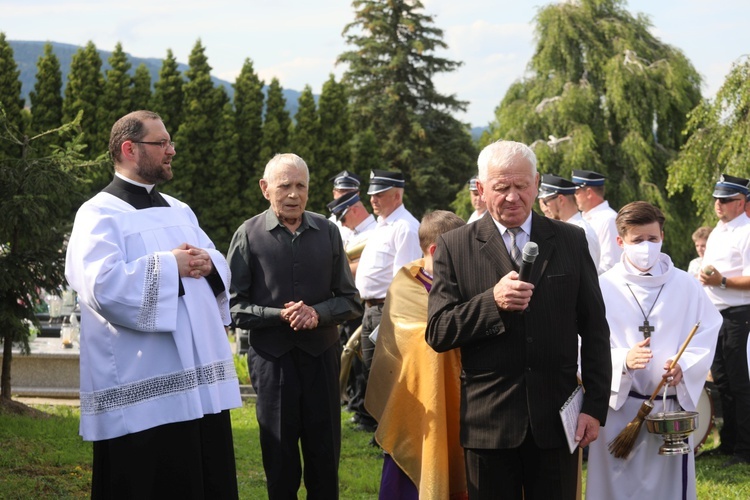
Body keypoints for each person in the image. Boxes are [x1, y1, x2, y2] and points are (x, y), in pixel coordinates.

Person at [64, 110, 241, 499]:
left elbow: (216, 265)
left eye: (170, 142)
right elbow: (100, 285)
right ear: (129, 149)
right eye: (161, 143)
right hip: (142, 385)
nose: (171, 151)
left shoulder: (180, 210)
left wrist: (210, 264)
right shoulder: (97, 214)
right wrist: (169, 267)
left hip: (197, 384)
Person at [426, 140, 612, 500]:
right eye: (501, 188)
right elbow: (438, 331)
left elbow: (595, 328)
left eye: (522, 186)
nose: (513, 197)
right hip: (488, 423)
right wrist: (491, 303)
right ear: (481, 189)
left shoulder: (571, 240)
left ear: (537, 182)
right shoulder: (454, 245)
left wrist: (594, 407)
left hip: (557, 420)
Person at [227, 153, 362, 499]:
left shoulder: (328, 232)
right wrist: (279, 315)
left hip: (321, 359)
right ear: (265, 188)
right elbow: (233, 307)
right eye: (284, 185)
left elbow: (349, 300)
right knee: (280, 460)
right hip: (273, 364)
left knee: (324, 458)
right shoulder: (248, 235)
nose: (293, 194)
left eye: (300, 186)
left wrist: (316, 314)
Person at [586, 201, 721, 500]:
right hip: (619, 412)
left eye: (653, 239)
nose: (646, 247)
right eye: (637, 240)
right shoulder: (603, 287)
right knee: (616, 488)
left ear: (662, 236)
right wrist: (622, 359)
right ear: (621, 242)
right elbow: (583, 344)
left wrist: (684, 364)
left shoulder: (686, 285)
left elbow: (708, 328)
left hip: (668, 412)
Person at [366, 210, 467, 500]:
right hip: (420, 406)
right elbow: (421, 340)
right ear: (435, 250)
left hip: (463, 399)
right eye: (459, 249)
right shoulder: (406, 284)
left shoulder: (463, 281)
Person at [353, 169, 422, 431]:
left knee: (389, 373)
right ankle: (383, 429)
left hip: (388, 309)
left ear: (397, 195)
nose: (373, 199)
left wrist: (392, 317)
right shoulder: (384, 225)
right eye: (371, 194)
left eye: (379, 194)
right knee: (374, 373)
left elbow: (403, 280)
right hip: (372, 308)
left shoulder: (405, 227)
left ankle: (394, 431)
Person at [698, 174, 750, 466]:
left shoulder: (746, 230)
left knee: (741, 384)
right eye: (717, 198)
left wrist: (723, 281)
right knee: (724, 383)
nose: (718, 204)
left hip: (740, 315)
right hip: (717, 314)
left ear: (741, 202)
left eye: (726, 199)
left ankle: (745, 448)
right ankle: (728, 442)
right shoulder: (720, 229)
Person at [326, 190, 376, 414]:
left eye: (344, 218)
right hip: (353, 301)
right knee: (350, 354)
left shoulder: (373, 232)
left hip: (367, 302)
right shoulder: (355, 233)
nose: (343, 224)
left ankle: (362, 407)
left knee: (361, 359)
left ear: (355, 210)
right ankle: (355, 402)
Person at [538, 173, 601, 273]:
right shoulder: (561, 229)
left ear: (561, 199)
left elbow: (588, 276)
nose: (545, 208)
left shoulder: (582, 232)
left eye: (546, 201)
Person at [571, 169, 622, 273]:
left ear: (589, 192)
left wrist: (579, 274)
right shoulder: (585, 218)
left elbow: (611, 266)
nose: (573, 197)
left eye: (576, 192)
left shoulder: (609, 220)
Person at [328, 169, 362, 245]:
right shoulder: (329, 224)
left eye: (349, 192)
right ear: (334, 193)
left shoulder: (364, 220)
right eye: (341, 191)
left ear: (358, 194)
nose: (345, 195)